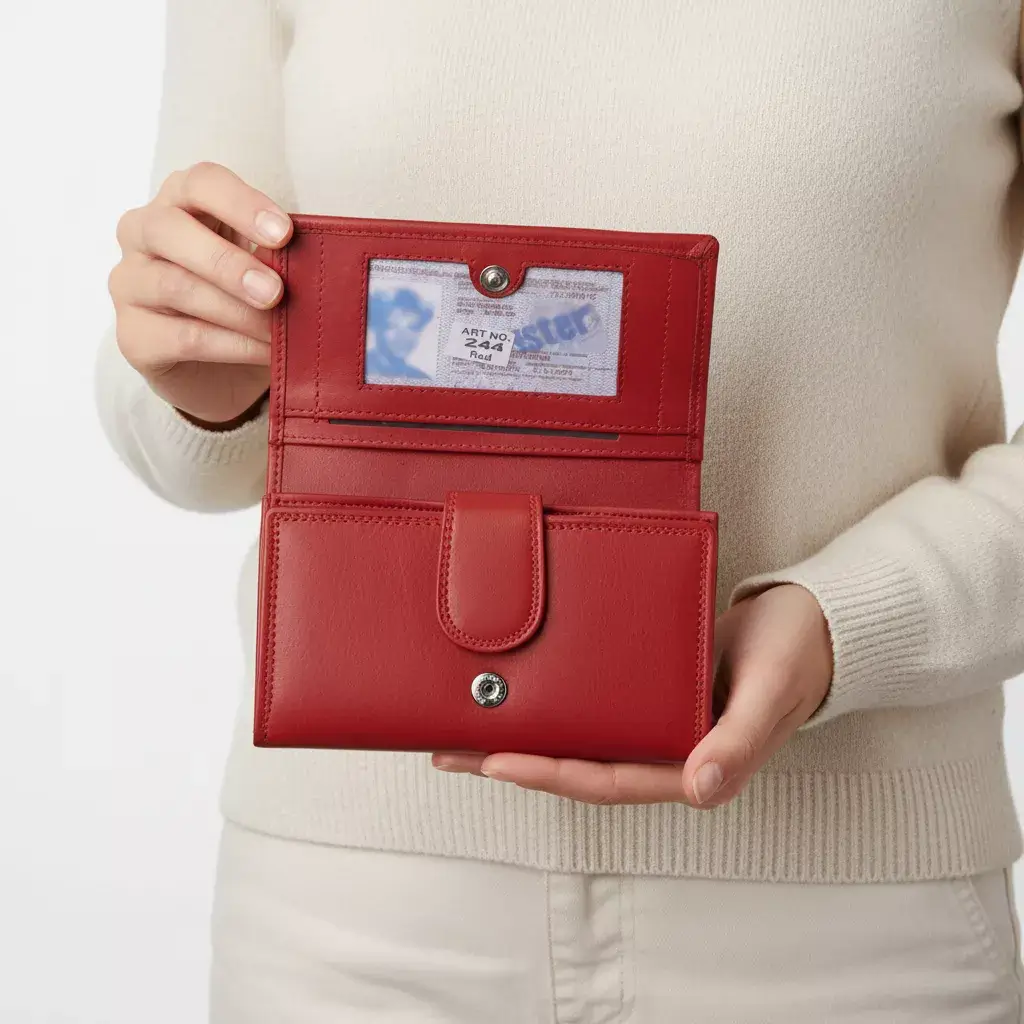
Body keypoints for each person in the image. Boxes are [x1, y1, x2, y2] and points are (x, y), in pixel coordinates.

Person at [96, 2, 1024, 1020]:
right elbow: (179, 409)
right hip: (354, 922)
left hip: (858, 921)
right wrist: (198, 385)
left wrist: (850, 623)